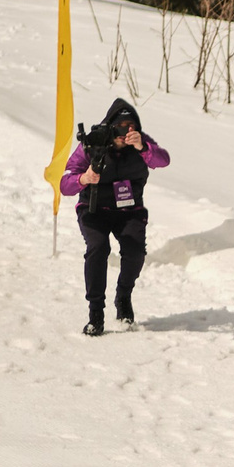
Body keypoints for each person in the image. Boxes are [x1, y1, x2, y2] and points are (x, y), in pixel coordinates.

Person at [58, 97, 169, 335]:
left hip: (129, 210)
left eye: (132, 126)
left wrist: (143, 147)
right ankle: (95, 312)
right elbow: (65, 184)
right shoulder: (92, 144)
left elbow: (163, 160)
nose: (126, 132)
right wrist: (83, 179)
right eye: (121, 126)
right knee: (98, 248)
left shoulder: (141, 145)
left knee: (135, 251)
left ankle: (124, 296)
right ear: (111, 126)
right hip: (94, 208)